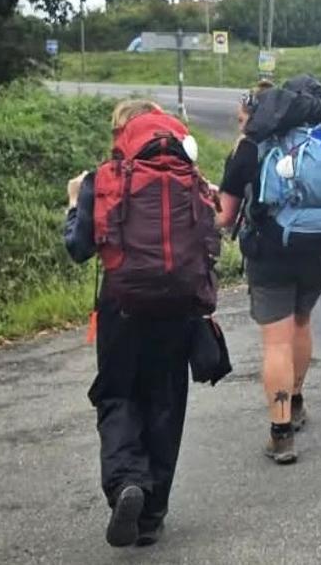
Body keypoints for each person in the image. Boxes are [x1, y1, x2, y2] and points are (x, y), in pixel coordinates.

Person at [64, 100, 215, 548]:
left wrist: (75, 203)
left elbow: (79, 248)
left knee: (117, 395)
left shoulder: (102, 179)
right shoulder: (193, 179)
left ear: (121, 134)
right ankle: (152, 516)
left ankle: (127, 481)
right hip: (180, 309)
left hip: (122, 306)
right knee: (166, 404)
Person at [216, 77, 321, 464]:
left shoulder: (251, 147)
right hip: (320, 248)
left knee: (276, 342)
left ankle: (281, 432)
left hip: (270, 252)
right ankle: (298, 400)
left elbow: (225, 217)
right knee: (302, 323)